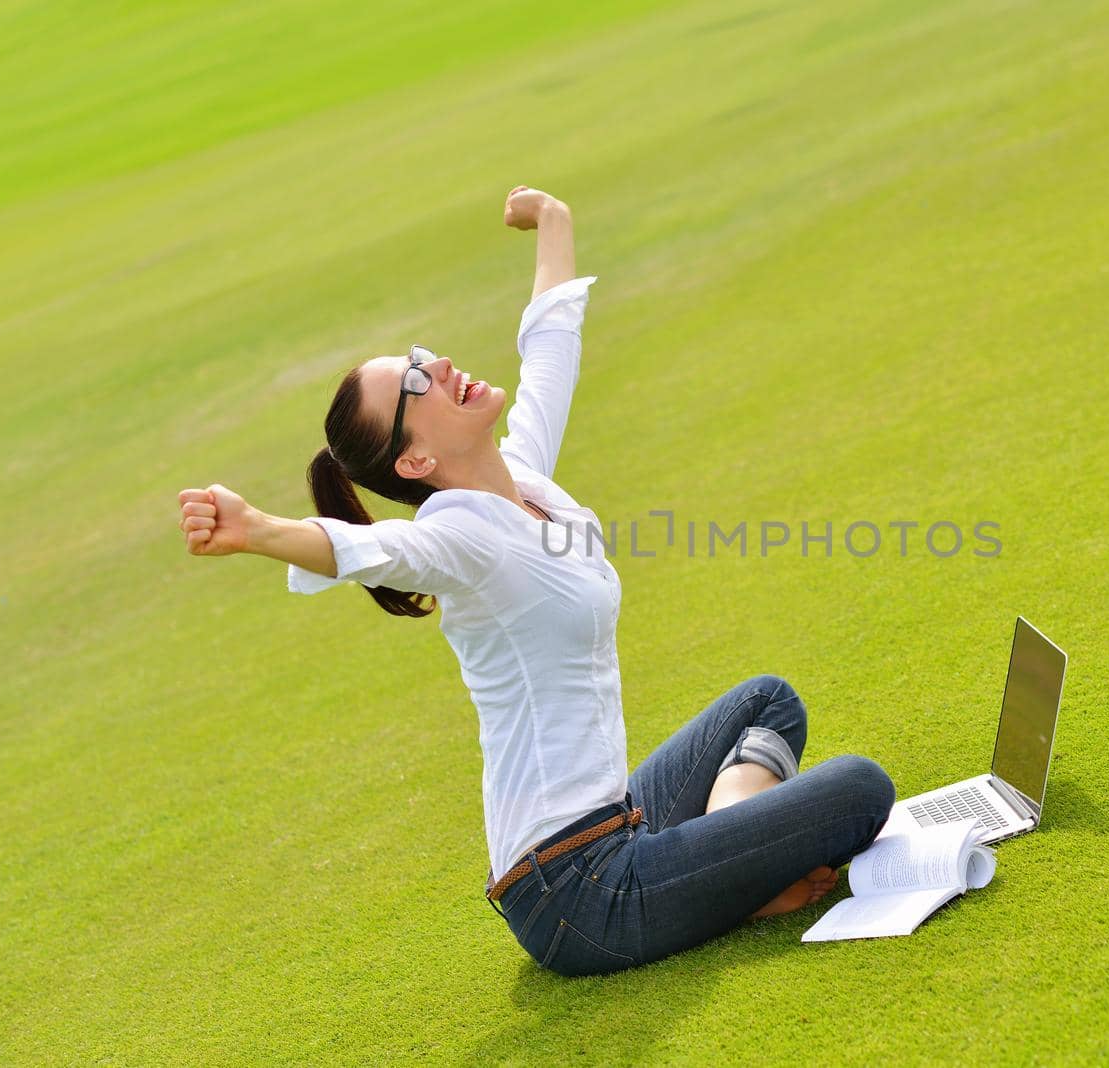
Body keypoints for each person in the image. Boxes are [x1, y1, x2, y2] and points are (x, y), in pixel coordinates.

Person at [176, 186, 895, 976]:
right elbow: (370, 549)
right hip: (576, 893)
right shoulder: (457, 539)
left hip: (618, 829)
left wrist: (554, 225)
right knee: (861, 789)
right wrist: (257, 532)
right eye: (415, 385)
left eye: (418, 358)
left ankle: (732, 867)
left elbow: (552, 347)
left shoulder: (523, 480)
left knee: (767, 701)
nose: (437, 364)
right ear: (414, 463)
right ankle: (733, 871)